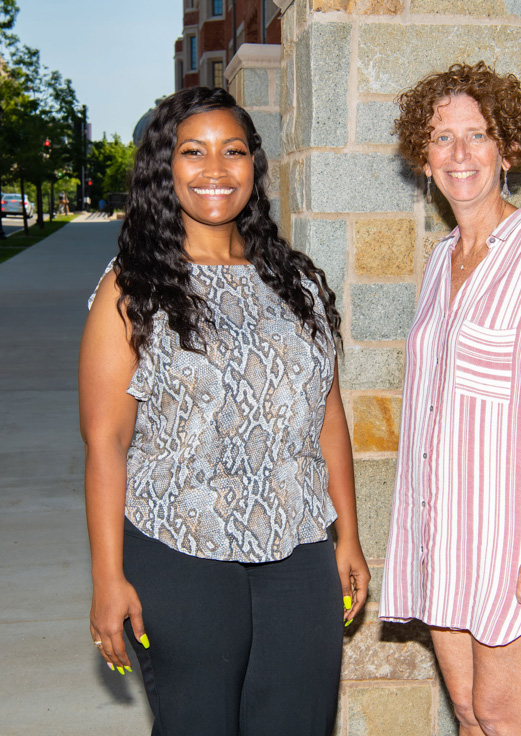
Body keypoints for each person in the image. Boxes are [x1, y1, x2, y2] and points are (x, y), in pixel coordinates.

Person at [79, 87, 369, 736]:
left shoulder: (294, 282)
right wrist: (107, 578)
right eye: (193, 152)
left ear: (253, 167)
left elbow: (327, 415)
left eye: (233, 151)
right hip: (178, 541)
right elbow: (105, 441)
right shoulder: (130, 289)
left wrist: (346, 535)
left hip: (296, 543)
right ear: (165, 169)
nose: (215, 169)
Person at [380, 62, 521, 736]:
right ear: (423, 159)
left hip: (511, 530)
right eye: (442, 138)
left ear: (506, 150)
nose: (459, 154)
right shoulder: (441, 260)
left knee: (508, 720)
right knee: (470, 714)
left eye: (476, 136)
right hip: (441, 529)